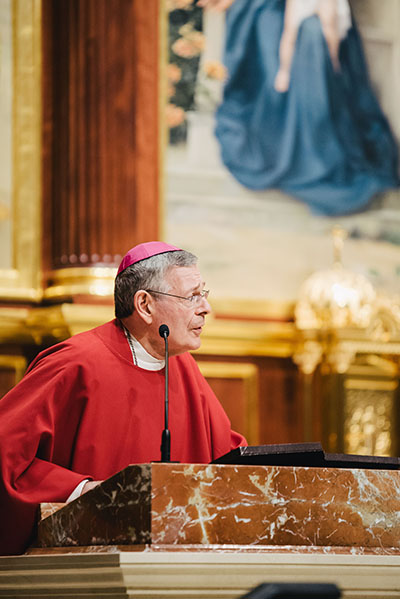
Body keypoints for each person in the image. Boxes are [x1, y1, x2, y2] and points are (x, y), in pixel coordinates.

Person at [0, 241, 247, 555]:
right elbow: (6, 452)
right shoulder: (76, 363)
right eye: (191, 296)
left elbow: (227, 459)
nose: (205, 308)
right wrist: (83, 490)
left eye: (204, 294)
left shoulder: (182, 365)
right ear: (144, 305)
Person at [212, 0, 399, 215]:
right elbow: (304, 34)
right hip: (310, 55)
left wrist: (290, 71)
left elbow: (310, 32)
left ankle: (315, 157)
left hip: (312, 57)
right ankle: (311, 157)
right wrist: (322, 66)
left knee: (317, 105)